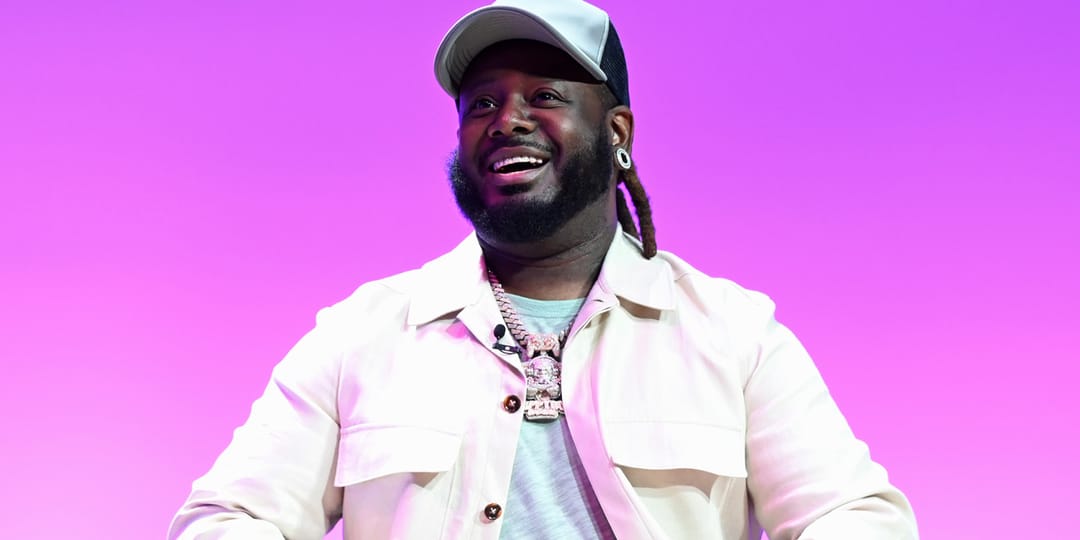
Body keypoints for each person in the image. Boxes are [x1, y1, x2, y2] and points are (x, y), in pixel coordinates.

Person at [169, 0, 919, 538]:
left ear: (617, 132)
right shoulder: (362, 334)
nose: (508, 120)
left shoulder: (733, 333)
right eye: (481, 104)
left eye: (546, 96)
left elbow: (851, 516)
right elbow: (228, 517)